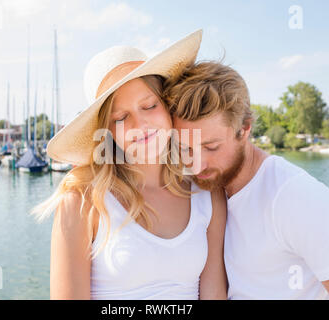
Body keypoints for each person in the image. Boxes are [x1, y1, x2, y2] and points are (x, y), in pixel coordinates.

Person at [31, 30, 227, 300]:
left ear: (167, 105)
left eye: (149, 106)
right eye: (121, 117)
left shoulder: (207, 192)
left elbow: (214, 291)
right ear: (107, 131)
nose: (140, 125)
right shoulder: (81, 201)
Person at [164, 60, 329, 299]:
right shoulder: (202, 188)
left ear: (245, 129)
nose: (195, 164)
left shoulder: (297, 198)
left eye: (211, 147)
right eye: (185, 148)